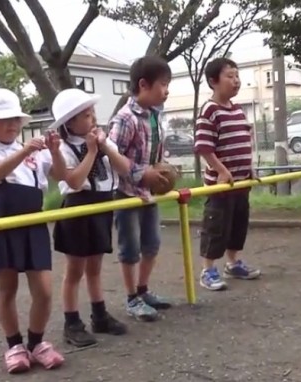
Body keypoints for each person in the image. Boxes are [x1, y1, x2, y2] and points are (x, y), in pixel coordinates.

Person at [0, 88, 66, 374]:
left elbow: (62, 175)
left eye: (15, 119)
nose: (12, 125)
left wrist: (55, 152)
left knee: (44, 291)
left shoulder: (35, 151)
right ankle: (14, 346)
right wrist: (24, 150)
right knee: (7, 289)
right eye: (3, 119)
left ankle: (37, 343)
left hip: (33, 222)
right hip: (2, 223)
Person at [50, 88, 131, 347]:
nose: (92, 118)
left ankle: (100, 315)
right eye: (85, 115)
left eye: (92, 113)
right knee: (74, 270)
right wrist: (92, 152)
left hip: (102, 206)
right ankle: (71, 322)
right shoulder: (63, 148)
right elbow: (73, 181)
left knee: (95, 267)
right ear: (69, 122)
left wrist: (105, 146)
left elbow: (124, 169)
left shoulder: (102, 141)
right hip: (77, 208)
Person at [108, 56, 173, 321]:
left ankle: (143, 290)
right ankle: (131, 298)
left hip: (148, 194)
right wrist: (140, 173)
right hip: (126, 193)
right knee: (130, 248)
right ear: (144, 85)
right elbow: (111, 156)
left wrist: (161, 169)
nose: (167, 90)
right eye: (163, 84)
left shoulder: (156, 115)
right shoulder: (125, 118)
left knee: (152, 244)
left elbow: (154, 150)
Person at [193, 57, 262, 291]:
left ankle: (233, 263)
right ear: (213, 81)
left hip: (241, 183)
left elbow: (242, 142)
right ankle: (208, 269)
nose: (236, 81)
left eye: (237, 76)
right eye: (229, 76)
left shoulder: (238, 110)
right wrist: (221, 170)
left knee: (238, 225)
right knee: (216, 227)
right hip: (220, 187)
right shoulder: (210, 110)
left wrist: (248, 168)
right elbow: (204, 147)